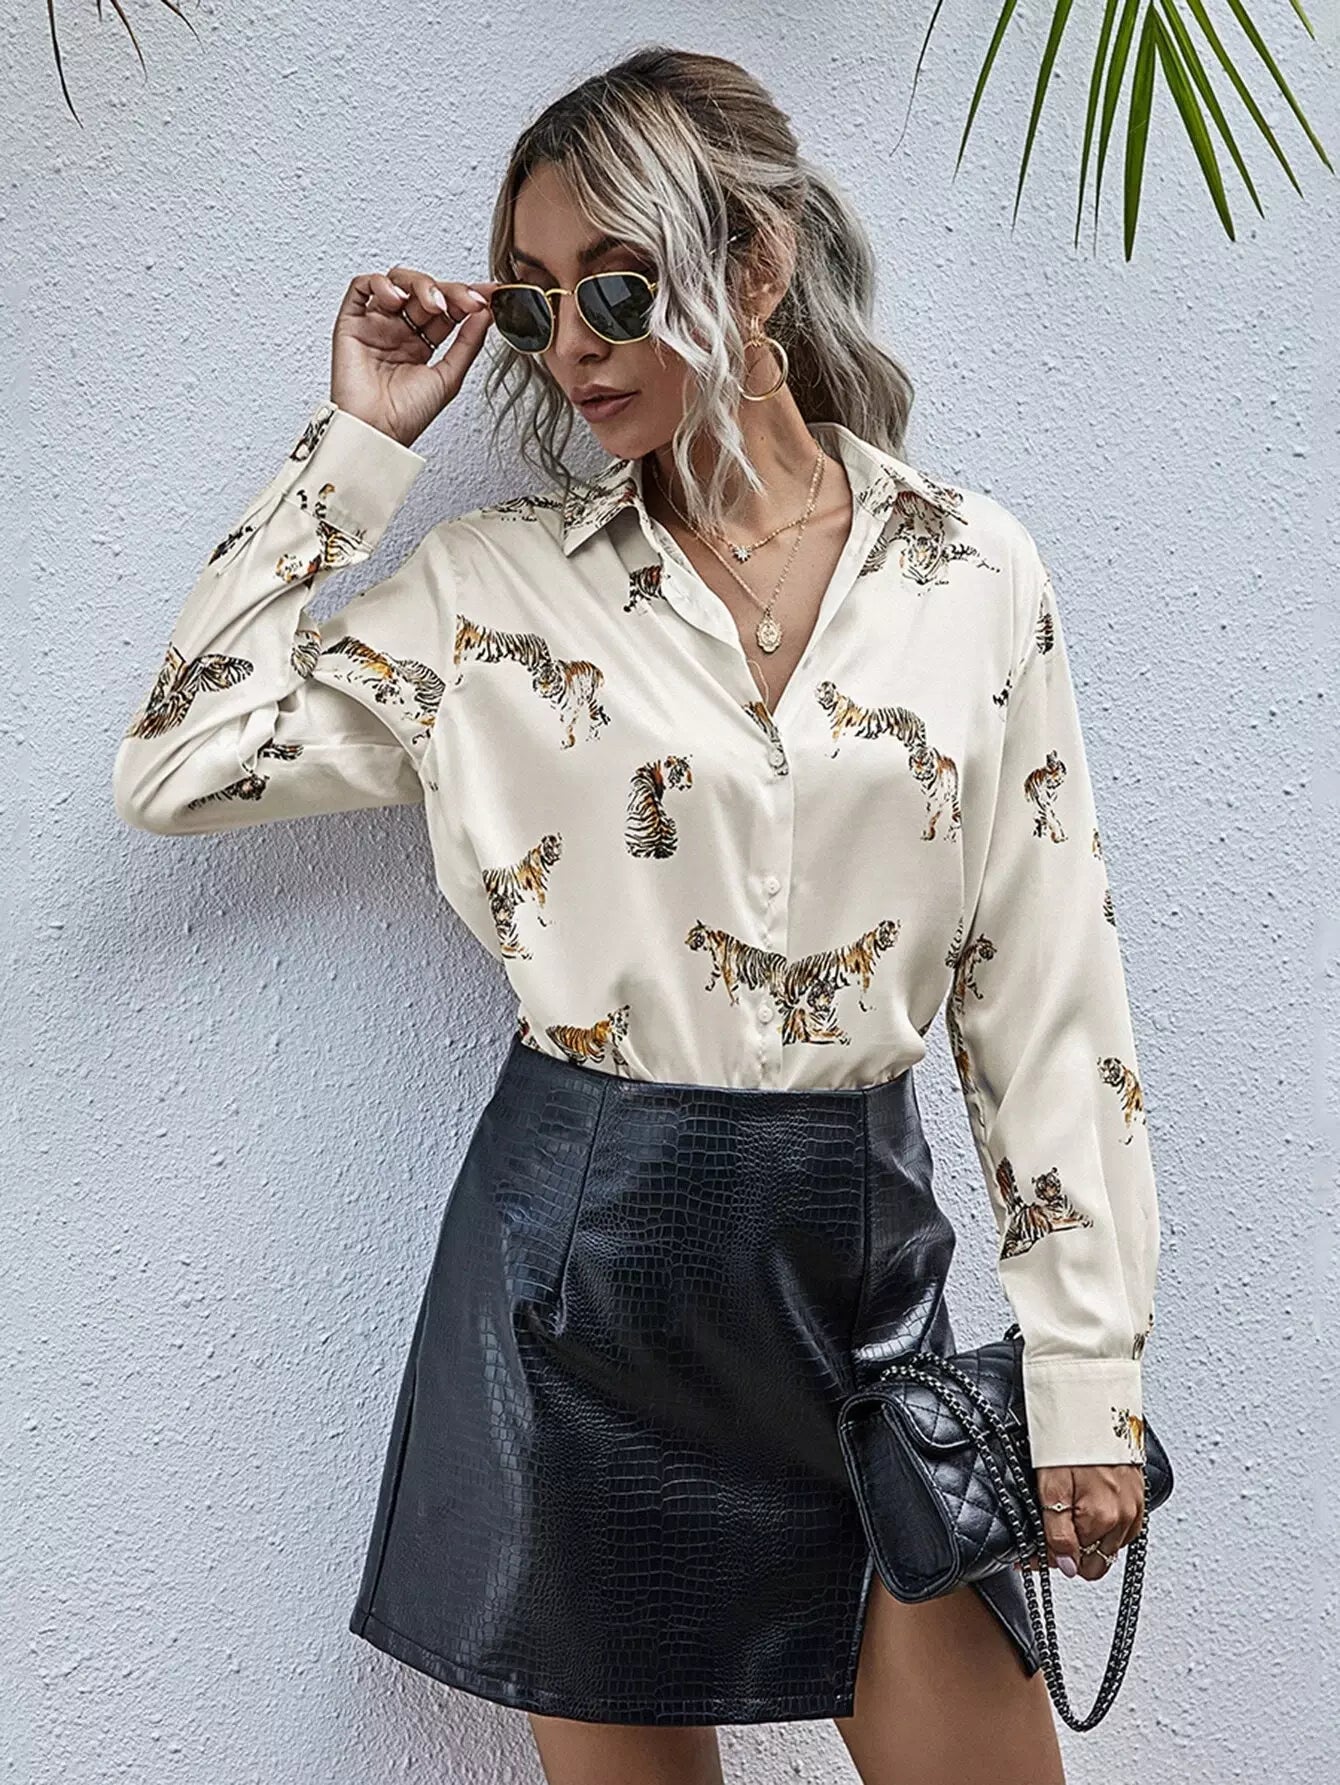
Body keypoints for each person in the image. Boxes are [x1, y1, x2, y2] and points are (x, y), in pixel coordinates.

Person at [111, 44, 1161, 1785]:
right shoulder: (497, 595)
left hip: (858, 1284)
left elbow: (1045, 991)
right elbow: (179, 760)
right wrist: (360, 448)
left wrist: (1085, 1369)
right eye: (536, 306)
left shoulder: (971, 570)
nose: (575, 346)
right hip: (577, 1294)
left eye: (615, 285)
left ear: (756, 263)